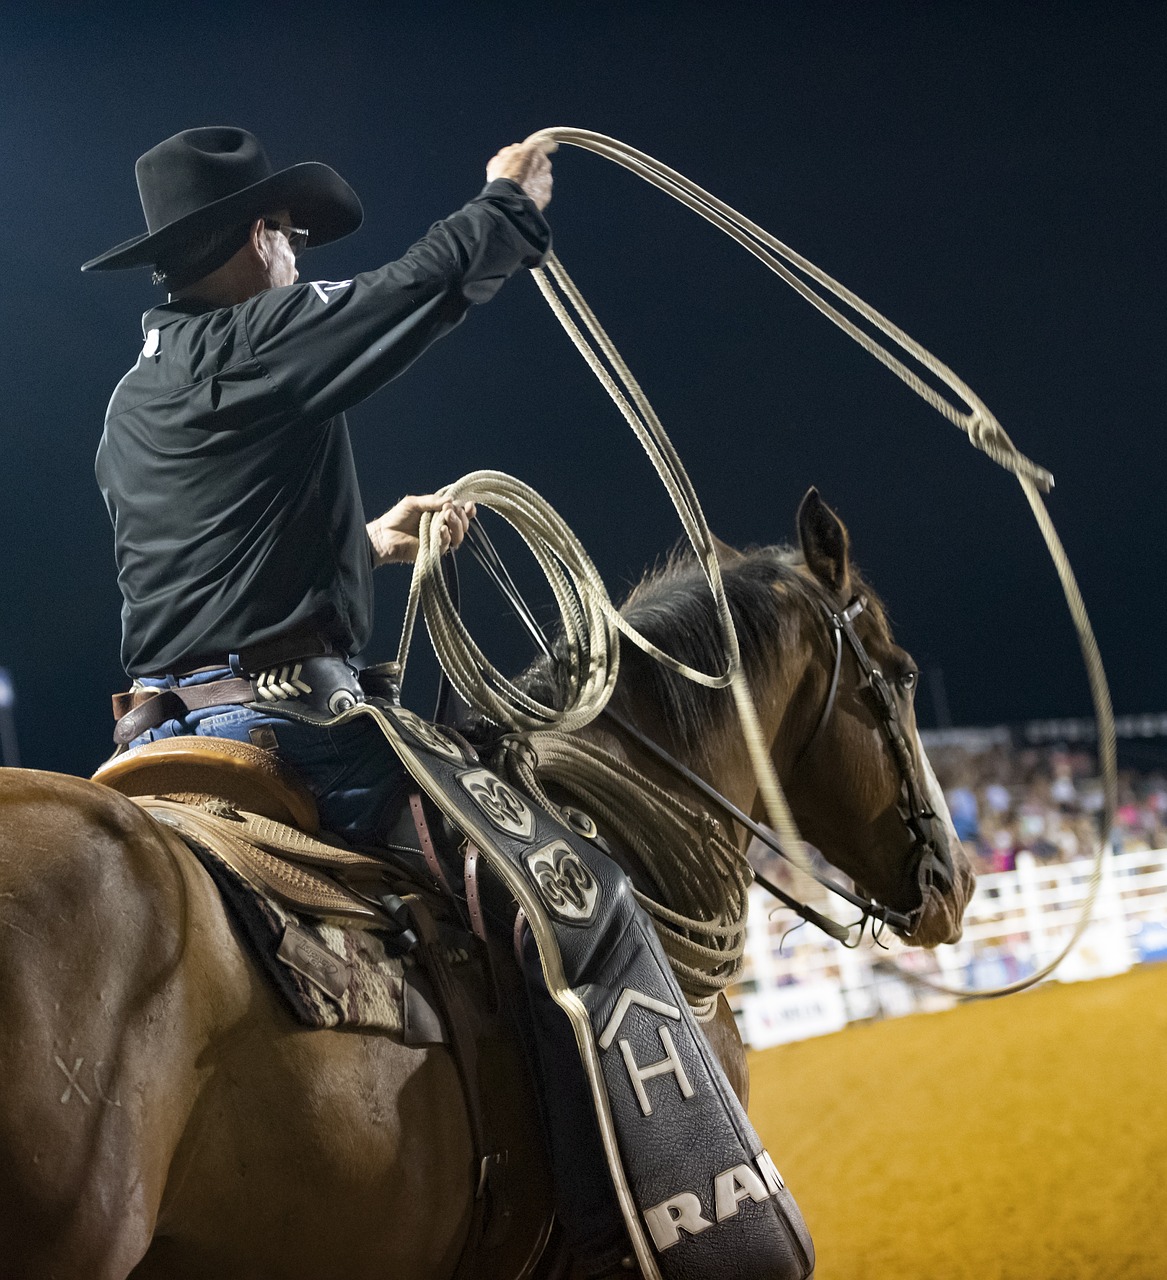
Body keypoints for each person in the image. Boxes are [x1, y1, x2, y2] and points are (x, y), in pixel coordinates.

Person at [84, 125, 552, 842]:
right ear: (258, 234)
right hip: (289, 728)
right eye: (293, 236)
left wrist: (360, 546)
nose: (297, 257)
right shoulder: (256, 335)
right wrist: (508, 202)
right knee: (561, 877)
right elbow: (412, 288)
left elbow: (200, 569)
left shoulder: (130, 399)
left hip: (159, 735)